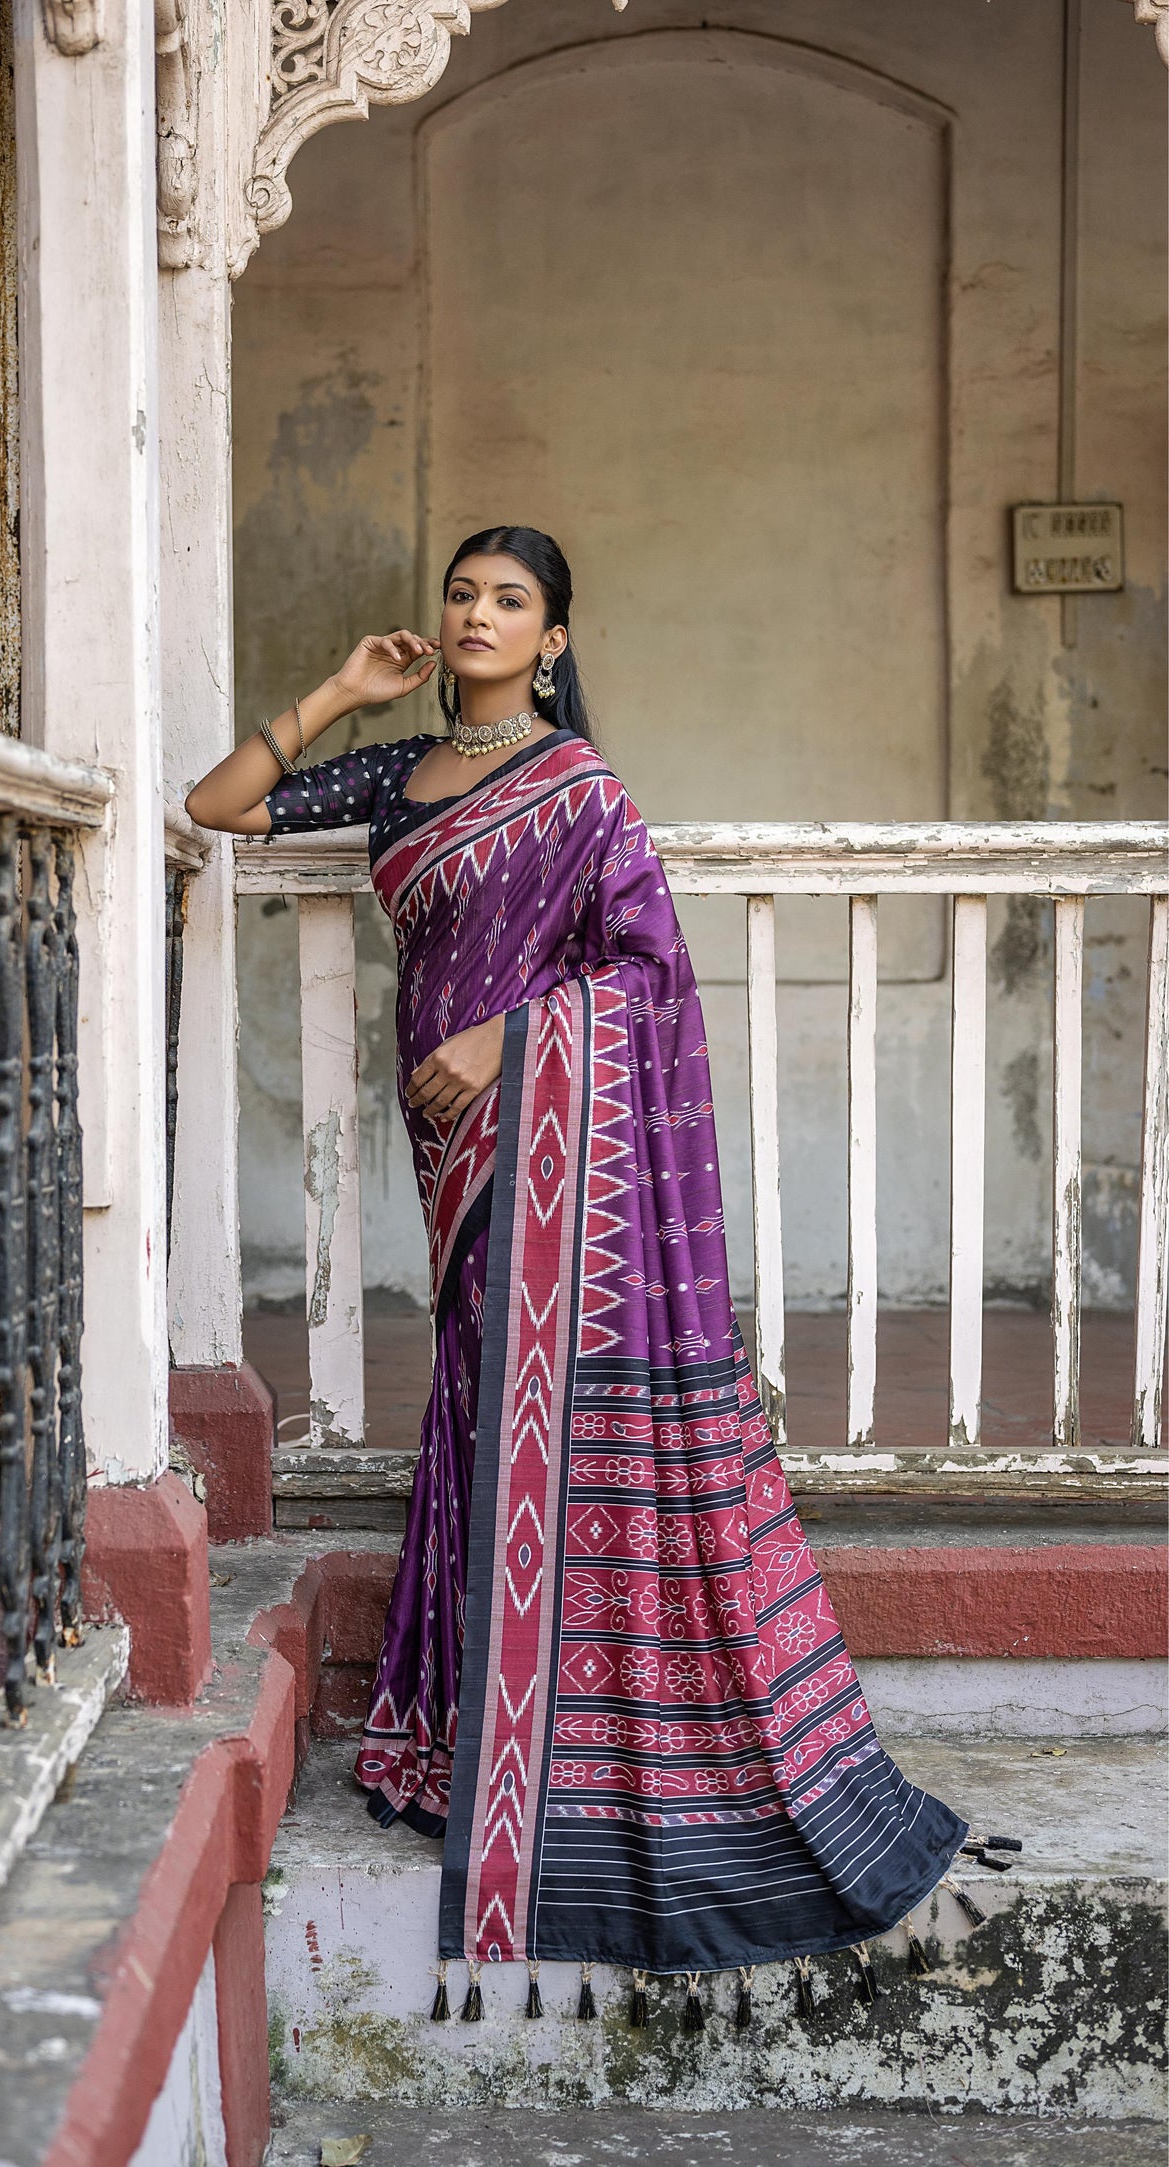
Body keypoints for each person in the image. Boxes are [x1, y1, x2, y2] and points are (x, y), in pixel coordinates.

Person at [188, 525, 998, 2028]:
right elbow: (214, 803)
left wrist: (506, 1040)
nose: (477, 616)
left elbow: (639, 969)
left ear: (554, 638)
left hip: (537, 1127)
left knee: (526, 1408)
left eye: (510, 602)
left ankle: (563, 1743)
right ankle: (462, 1737)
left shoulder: (583, 794)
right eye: (462, 594)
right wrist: (338, 692)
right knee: (477, 1402)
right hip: (450, 1153)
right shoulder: (397, 770)